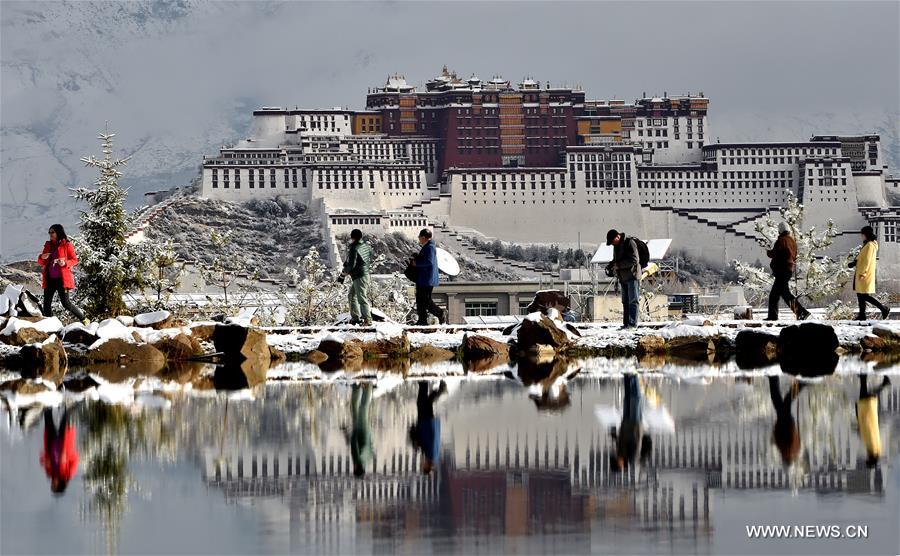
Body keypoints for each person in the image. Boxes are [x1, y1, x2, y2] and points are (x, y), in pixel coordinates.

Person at [38, 224, 86, 322]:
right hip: (49, 279)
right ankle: (50, 324)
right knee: (46, 304)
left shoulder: (67, 244)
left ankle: (84, 319)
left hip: (62, 280)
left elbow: (75, 260)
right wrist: (42, 257)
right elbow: (41, 261)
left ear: (58, 232)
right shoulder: (48, 245)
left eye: (52, 232)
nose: (50, 234)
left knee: (66, 303)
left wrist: (65, 263)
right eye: (49, 232)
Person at [765, 222, 810, 321]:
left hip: (781, 270)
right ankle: (800, 313)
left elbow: (774, 254)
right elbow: (794, 255)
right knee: (780, 294)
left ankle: (801, 313)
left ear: (780, 230)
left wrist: (768, 250)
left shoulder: (781, 240)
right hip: (788, 270)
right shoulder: (792, 241)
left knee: (778, 295)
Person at [610, 373, 652, 472]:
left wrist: (614, 435)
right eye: (616, 461)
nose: (616, 458)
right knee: (635, 399)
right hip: (634, 424)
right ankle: (633, 376)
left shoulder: (620, 453)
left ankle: (627, 376)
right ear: (620, 465)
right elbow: (636, 442)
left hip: (625, 423)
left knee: (628, 398)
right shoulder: (632, 459)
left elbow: (621, 441)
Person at [849, 226, 890, 321]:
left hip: (864, 274)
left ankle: (883, 309)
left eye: (862, 234)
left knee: (864, 295)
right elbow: (862, 258)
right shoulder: (868, 244)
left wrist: (863, 273)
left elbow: (867, 261)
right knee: (860, 294)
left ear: (866, 234)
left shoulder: (869, 245)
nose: (861, 236)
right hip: (862, 272)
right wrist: (854, 262)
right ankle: (862, 315)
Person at [409, 380, 447, 474]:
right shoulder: (431, 454)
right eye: (424, 466)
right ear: (427, 466)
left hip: (429, 423)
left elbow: (433, 439)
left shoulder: (433, 456)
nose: (422, 464)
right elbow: (430, 439)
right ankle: (426, 384)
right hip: (426, 423)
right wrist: (417, 441)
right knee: (422, 402)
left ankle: (439, 390)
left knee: (427, 401)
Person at [605, 229, 640, 329]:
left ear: (617, 236)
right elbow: (617, 260)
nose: (612, 244)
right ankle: (626, 324)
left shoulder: (630, 243)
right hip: (623, 277)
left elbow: (635, 260)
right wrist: (611, 265)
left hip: (632, 276)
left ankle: (632, 324)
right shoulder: (616, 246)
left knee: (633, 301)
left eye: (613, 241)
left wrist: (619, 265)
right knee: (625, 301)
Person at [40, 407, 79, 494]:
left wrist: (45, 460)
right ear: (60, 485)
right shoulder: (69, 473)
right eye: (55, 485)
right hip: (65, 438)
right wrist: (66, 457)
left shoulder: (50, 472)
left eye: (52, 485)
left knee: (47, 413)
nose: (53, 483)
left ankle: (49, 399)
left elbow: (42, 458)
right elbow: (76, 457)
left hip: (51, 440)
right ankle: (77, 400)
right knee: (68, 414)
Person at [411, 228, 445, 325]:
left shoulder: (429, 247)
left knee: (425, 300)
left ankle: (440, 313)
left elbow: (429, 261)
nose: (419, 239)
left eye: (419, 237)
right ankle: (422, 320)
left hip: (426, 278)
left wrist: (416, 263)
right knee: (420, 300)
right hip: (424, 278)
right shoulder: (429, 246)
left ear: (423, 237)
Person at [341, 229, 374, 325]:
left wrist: (343, 273)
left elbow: (352, 265)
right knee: (351, 295)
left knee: (361, 298)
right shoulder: (366, 246)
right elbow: (368, 256)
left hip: (359, 275)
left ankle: (367, 320)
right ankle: (355, 318)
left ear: (352, 237)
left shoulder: (354, 248)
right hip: (364, 274)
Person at [856, 374, 890, 468]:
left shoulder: (875, 449)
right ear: (870, 459)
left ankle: (864, 377)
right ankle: (884, 383)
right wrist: (862, 420)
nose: (866, 458)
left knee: (867, 394)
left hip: (868, 415)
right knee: (867, 395)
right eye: (867, 460)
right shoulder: (873, 448)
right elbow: (869, 431)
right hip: (867, 415)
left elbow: (866, 433)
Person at [769, 376, 802, 466]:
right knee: (782, 400)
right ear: (785, 460)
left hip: (788, 422)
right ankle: (800, 384)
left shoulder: (795, 451)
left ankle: (774, 379)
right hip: (785, 423)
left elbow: (797, 439)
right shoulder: (786, 451)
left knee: (781, 400)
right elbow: (778, 438)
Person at [346, 384, 373, 477]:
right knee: (363, 408)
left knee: (355, 408)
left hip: (366, 430)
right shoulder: (357, 459)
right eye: (354, 469)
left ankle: (357, 386)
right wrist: (352, 433)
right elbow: (354, 443)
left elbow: (371, 445)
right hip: (359, 429)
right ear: (356, 468)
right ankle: (367, 386)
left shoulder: (367, 458)